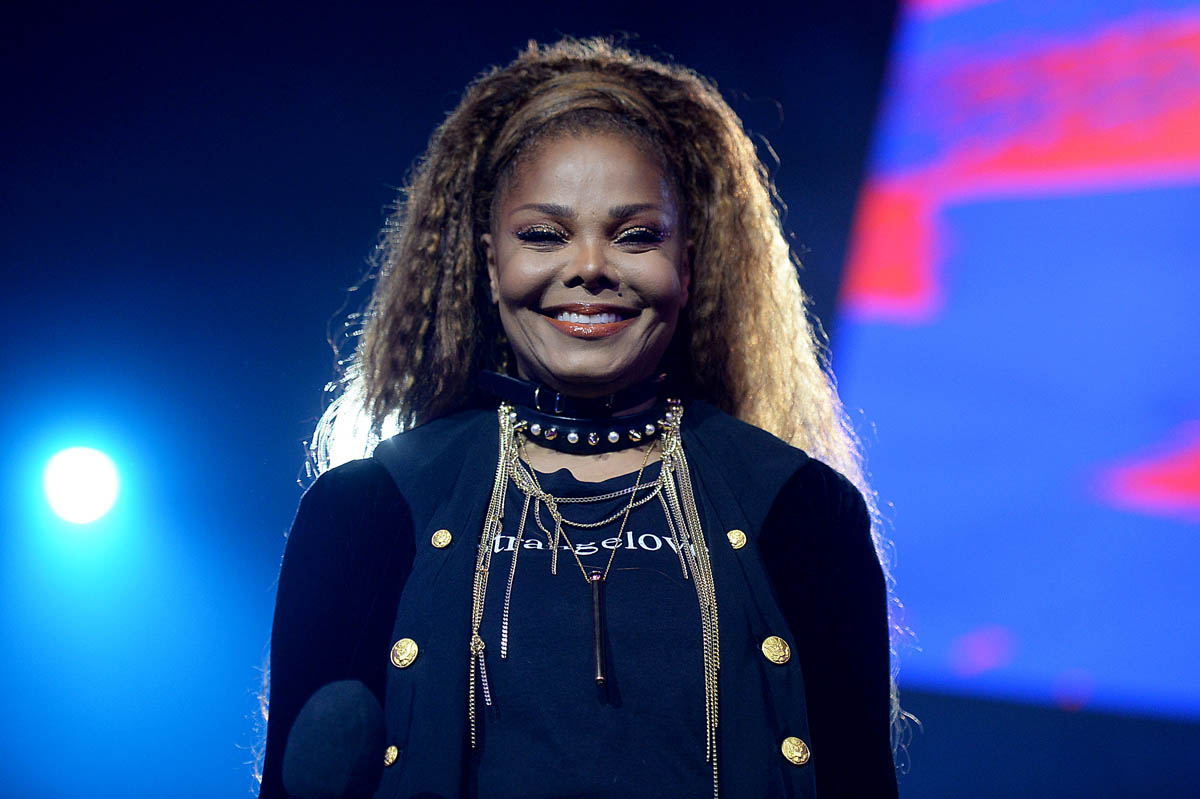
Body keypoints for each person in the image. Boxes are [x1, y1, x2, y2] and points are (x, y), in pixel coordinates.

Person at [259, 37, 900, 798]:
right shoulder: (367, 513)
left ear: (687, 262)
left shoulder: (804, 513)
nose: (590, 266)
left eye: (636, 236)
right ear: (490, 262)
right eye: (544, 234)